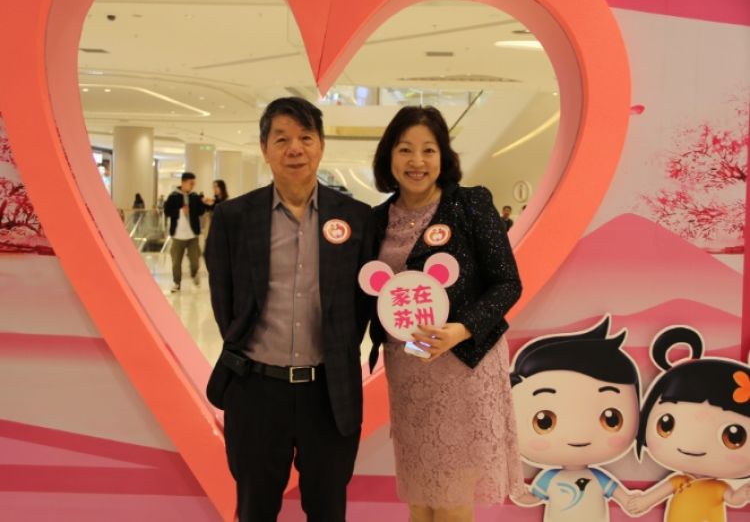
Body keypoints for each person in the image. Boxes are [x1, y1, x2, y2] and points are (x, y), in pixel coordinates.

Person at [204, 97, 373, 522]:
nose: (294, 148)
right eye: (281, 139)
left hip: (329, 392)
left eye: (305, 138)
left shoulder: (357, 218)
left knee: (328, 510)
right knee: (255, 510)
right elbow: (224, 300)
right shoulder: (233, 218)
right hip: (256, 391)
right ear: (265, 149)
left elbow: (362, 304)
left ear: (321, 146)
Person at [368, 105, 524, 522]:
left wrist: (462, 329)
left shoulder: (470, 205)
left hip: (463, 367)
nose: (416, 161)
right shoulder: (376, 220)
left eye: (428, 150)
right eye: (405, 149)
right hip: (409, 370)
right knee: (420, 497)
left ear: (443, 156)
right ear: (389, 156)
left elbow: (508, 283)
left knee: (453, 500)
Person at [510, 316, 642, 521]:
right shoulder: (549, 479)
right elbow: (533, 498)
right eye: (544, 422)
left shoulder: (599, 479)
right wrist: (517, 492)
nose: (578, 433)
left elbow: (625, 500)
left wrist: (635, 501)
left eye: (611, 419)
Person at [629, 326, 750, 521]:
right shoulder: (678, 481)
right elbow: (654, 496)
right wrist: (644, 501)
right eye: (666, 425)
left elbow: (733, 499)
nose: (694, 445)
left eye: (734, 437)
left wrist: (742, 494)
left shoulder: (719, 487)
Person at [163, 172, 207, 292]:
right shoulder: (173, 196)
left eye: (193, 183)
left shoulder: (194, 196)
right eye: (191, 183)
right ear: (183, 182)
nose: (192, 185)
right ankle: (177, 283)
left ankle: (194, 274)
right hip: (178, 235)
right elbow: (167, 211)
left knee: (195, 260)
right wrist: (180, 211)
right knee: (176, 262)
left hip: (192, 235)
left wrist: (201, 204)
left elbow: (201, 211)